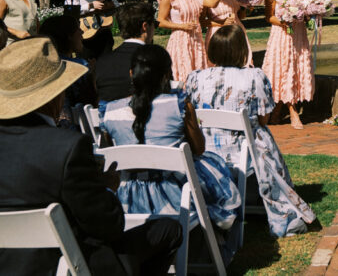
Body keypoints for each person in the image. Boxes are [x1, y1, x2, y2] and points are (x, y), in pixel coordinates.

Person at [0, 37, 182, 274]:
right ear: (56, 95)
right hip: (69, 265)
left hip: (1, 266)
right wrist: (107, 189)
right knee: (167, 229)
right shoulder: (65, 148)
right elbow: (109, 226)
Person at [186, 25, 316, 235]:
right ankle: (272, 202)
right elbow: (264, 118)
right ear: (241, 50)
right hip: (243, 151)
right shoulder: (254, 76)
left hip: (205, 149)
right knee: (261, 134)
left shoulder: (195, 78)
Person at [100, 44, 241, 232]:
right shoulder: (180, 106)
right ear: (166, 75)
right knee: (210, 165)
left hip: (126, 199)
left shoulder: (110, 111)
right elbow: (199, 148)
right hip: (175, 196)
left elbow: (107, 159)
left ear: (132, 73)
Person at [262, 0, 314, 130]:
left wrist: (312, 14)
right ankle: (293, 112)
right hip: (281, 35)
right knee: (284, 69)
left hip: (298, 36)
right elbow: (269, 17)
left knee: (295, 69)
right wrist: (284, 21)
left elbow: (306, 14)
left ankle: (277, 110)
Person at [157, 0, 221, 82]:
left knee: (199, 74)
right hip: (179, 41)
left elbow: (213, 3)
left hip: (196, 40)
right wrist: (181, 26)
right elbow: (160, 21)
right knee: (183, 74)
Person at [96, 2, 155, 104]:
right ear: (145, 26)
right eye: (155, 24)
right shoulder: (155, 59)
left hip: (108, 118)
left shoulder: (101, 62)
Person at [40, 14, 98, 114]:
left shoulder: (40, 65)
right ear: (69, 36)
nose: (82, 32)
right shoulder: (81, 67)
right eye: (78, 29)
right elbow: (92, 103)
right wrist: (92, 75)